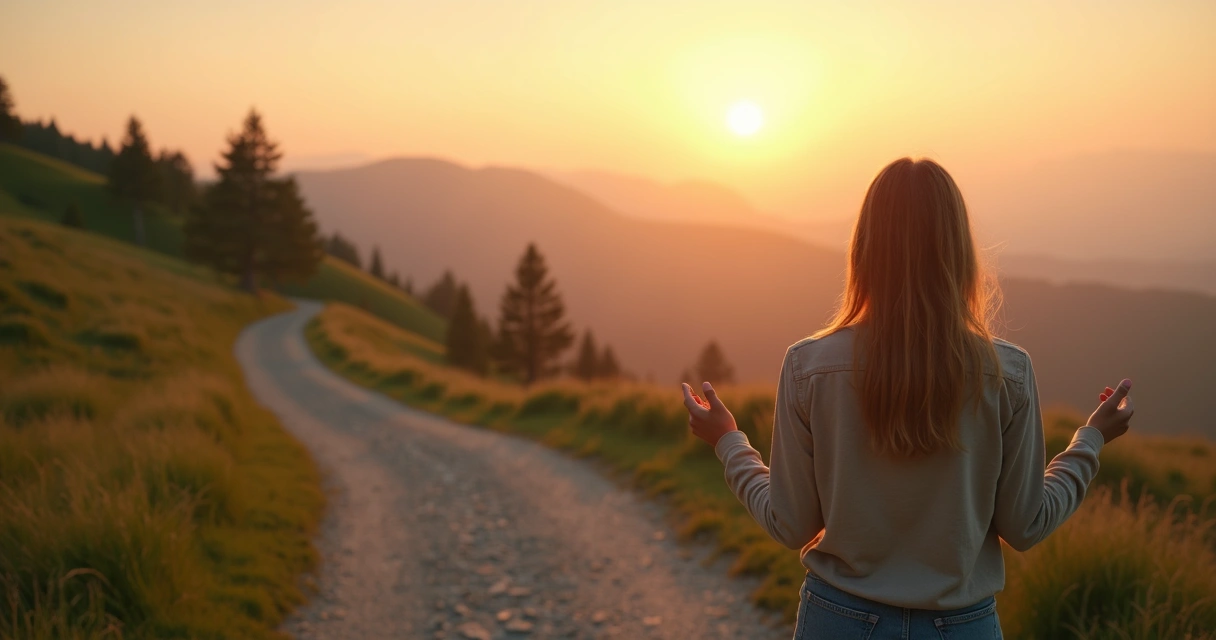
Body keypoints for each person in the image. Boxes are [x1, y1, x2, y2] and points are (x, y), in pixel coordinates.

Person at [680, 158, 1134, 639]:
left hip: (838, 621)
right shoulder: (1008, 373)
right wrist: (1091, 441)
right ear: (958, 251)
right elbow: (1026, 526)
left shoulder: (808, 367)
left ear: (865, 248)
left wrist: (728, 442)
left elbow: (791, 525)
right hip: (964, 625)